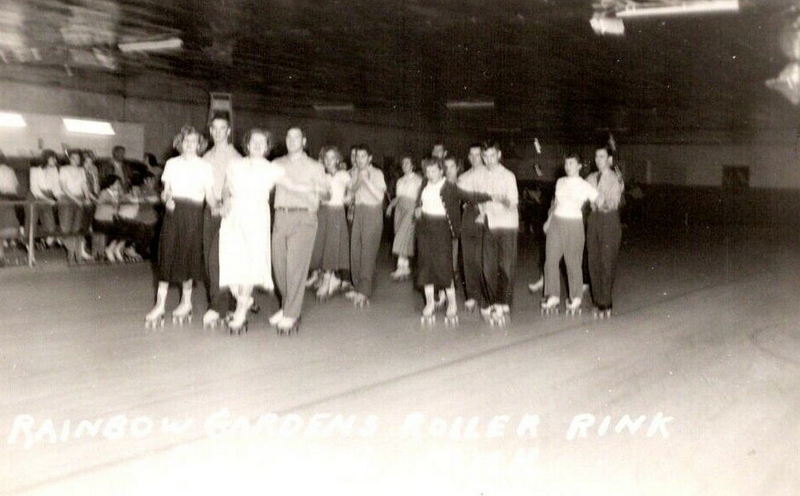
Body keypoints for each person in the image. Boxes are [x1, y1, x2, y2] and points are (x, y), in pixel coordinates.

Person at [145, 126, 216, 328]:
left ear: (200, 145)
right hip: (173, 213)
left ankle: (186, 302)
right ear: (179, 143)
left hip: (194, 214)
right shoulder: (171, 164)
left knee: (188, 257)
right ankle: (160, 305)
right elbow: (165, 191)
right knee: (166, 255)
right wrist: (166, 198)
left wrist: (220, 208)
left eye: (194, 142)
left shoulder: (205, 167)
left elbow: (210, 196)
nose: (190, 145)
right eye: (186, 141)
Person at [218, 129, 284, 334]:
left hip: (256, 216)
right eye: (253, 141)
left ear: (267, 146)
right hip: (234, 216)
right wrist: (226, 199)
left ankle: (240, 311)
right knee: (230, 261)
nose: (257, 145)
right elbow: (226, 188)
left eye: (262, 142)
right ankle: (243, 299)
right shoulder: (235, 165)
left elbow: (292, 187)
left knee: (249, 263)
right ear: (247, 144)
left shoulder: (273, 169)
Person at [270, 127, 330, 334]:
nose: (292, 140)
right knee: (279, 266)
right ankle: (288, 304)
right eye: (288, 136)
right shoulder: (276, 164)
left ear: (304, 141)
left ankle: (292, 313)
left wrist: (306, 188)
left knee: (295, 267)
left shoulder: (315, 166)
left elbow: (327, 194)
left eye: (296, 137)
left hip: (304, 217)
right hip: (281, 216)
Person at [541, 152, 598, 315]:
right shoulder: (560, 182)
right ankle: (552, 295)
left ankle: (576, 297)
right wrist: (548, 220)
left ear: (579, 166)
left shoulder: (585, 185)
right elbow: (556, 203)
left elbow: (598, 201)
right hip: (556, 223)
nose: (567, 167)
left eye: (571, 164)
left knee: (572, 262)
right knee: (550, 260)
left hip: (574, 224)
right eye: (566, 164)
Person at [201, 114, 242, 328]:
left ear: (228, 131)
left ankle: (221, 306)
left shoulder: (235, 157)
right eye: (214, 128)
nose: (218, 132)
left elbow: (235, 188)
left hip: (228, 212)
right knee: (210, 260)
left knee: (221, 259)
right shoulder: (206, 157)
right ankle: (228, 302)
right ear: (210, 131)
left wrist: (225, 205)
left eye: (222, 128)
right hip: (210, 210)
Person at [415, 158, 462, 325]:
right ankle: (429, 303)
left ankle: (452, 303)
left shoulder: (448, 186)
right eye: (427, 171)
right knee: (425, 266)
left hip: (441, 228)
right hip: (425, 228)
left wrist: (488, 197)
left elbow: (463, 200)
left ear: (441, 171)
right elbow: (419, 203)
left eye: (434, 170)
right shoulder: (424, 185)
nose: (430, 174)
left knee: (444, 266)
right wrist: (418, 209)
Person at [479, 141, 519, 325]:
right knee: (488, 268)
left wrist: (501, 199)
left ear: (499, 154)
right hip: (490, 223)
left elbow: (513, 202)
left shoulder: (508, 176)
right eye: (485, 156)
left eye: (492, 156)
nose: (489, 160)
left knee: (506, 266)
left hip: (507, 225)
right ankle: (495, 301)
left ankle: (503, 303)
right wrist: (482, 211)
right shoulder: (482, 176)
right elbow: (480, 199)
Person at [586, 145, 624, 318]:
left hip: (609, 220)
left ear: (609, 159)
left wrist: (598, 200)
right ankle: (596, 300)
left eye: (601, 156)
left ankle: (606, 301)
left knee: (606, 261)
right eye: (596, 156)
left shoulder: (616, 178)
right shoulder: (590, 178)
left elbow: (614, 202)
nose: (598, 159)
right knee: (593, 260)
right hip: (593, 220)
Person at [346, 144, 386, 307]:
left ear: (370, 158)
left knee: (367, 252)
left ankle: (364, 291)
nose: (359, 159)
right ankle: (357, 286)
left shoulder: (377, 173)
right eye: (357, 156)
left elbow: (379, 197)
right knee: (355, 250)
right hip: (359, 211)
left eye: (363, 156)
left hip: (373, 211)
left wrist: (366, 180)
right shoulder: (354, 172)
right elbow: (351, 193)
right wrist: (357, 181)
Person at [309, 146, 351, 299]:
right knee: (320, 246)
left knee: (332, 246)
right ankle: (328, 277)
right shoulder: (321, 176)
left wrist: (347, 199)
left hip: (336, 212)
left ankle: (328, 279)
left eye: (332, 157)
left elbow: (350, 194)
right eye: (326, 158)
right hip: (322, 212)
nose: (329, 161)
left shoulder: (343, 175)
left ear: (337, 159)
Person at [456, 144, 488, 312]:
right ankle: (472, 295)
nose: (475, 158)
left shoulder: (490, 174)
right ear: (468, 157)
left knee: (483, 257)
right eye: (472, 155)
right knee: (468, 257)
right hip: (468, 214)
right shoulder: (463, 176)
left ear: (483, 156)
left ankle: (487, 294)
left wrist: (484, 212)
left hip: (486, 214)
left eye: (478, 154)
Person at [386, 156, 421, 280]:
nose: (404, 165)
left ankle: (402, 268)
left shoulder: (418, 180)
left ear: (413, 165)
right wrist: (391, 205)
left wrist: (418, 209)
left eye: (407, 162)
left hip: (410, 208)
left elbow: (420, 197)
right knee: (401, 237)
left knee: (402, 236)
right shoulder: (399, 180)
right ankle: (403, 267)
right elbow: (398, 197)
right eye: (403, 163)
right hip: (399, 209)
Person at [59, 150, 93, 264]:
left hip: (79, 199)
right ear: (69, 159)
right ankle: (71, 254)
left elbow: (84, 185)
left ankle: (76, 257)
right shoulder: (64, 169)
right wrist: (76, 200)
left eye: (78, 158)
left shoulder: (81, 170)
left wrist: (87, 198)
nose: (76, 160)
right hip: (67, 199)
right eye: (73, 158)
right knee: (66, 229)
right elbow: (64, 188)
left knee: (77, 229)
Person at [29, 150, 62, 247]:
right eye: (52, 158)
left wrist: (59, 198)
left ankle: (44, 243)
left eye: (55, 158)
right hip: (34, 197)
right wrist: (48, 200)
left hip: (48, 197)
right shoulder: (35, 170)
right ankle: (30, 247)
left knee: (50, 227)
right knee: (32, 224)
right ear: (46, 159)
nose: (55, 160)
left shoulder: (54, 170)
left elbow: (56, 187)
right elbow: (34, 190)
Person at [0, 152, 23, 265]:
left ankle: (1, 256)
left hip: (4, 199)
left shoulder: (7, 170)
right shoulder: (9, 170)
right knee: (6, 228)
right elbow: (16, 187)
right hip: (11, 200)